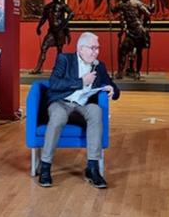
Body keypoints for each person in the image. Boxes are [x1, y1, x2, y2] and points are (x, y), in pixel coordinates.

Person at [38, 32, 120, 188]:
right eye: (92, 48)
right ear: (81, 49)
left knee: (96, 111)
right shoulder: (65, 59)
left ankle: (92, 168)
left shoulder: (99, 66)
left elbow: (114, 89)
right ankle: (45, 166)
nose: (96, 51)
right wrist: (81, 82)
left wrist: (112, 89)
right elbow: (54, 83)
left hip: (83, 105)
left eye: (98, 48)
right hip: (61, 102)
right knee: (58, 117)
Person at [31, 0, 74, 75]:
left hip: (60, 29)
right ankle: (38, 67)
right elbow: (43, 18)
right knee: (44, 47)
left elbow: (71, 13)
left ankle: (59, 69)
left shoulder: (62, 5)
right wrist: (39, 27)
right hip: (51, 31)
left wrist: (65, 22)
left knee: (59, 50)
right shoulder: (48, 7)